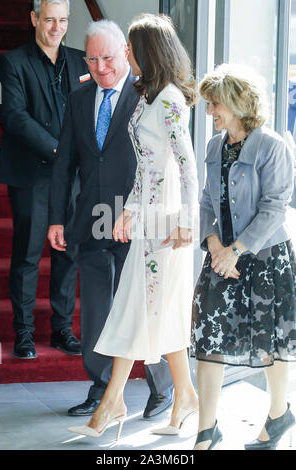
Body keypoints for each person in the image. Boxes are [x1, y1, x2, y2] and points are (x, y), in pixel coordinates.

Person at [67, 13, 199, 441]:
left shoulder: (172, 101)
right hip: (145, 221)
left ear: (147, 52)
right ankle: (183, 397)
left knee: (139, 309)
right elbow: (145, 168)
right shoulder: (147, 98)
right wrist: (127, 212)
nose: (126, 54)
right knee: (148, 312)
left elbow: (187, 166)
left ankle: (114, 403)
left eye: (131, 47)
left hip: (167, 225)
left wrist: (187, 223)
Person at [47, 20, 174, 419]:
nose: (101, 67)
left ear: (126, 55)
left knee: (143, 306)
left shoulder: (148, 98)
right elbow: (65, 163)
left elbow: (160, 164)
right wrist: (56, 218)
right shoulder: (79, 97)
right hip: (91, 221)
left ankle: (161, 387)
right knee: (98, 310)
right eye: (93, 59)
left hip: (138, 221)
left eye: (108, 58)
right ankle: (103, 390)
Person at [191, 63, 296, 450]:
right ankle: (205, 432)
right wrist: (215, 246)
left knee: (269, 339)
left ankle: (279, 413)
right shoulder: (214, 146)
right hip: (222, 255)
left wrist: (236, 250)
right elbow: (205, 201)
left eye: (215, 104)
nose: (210, 112)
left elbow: (274, 208)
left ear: (237, 103)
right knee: (209, 336)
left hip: (265, 257)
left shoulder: (272, 146)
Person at [0, 0, 88, 359]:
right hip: (31, 173)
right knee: (28, 255)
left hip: (73, 177)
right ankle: (24, 333)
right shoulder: (10, 62)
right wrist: (59, 152)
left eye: (63, 20)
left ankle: (62, 328)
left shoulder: (82, 62)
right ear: (34, 18)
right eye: (49, 19)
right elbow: (14, 118)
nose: (56, 27)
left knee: (67, 253)